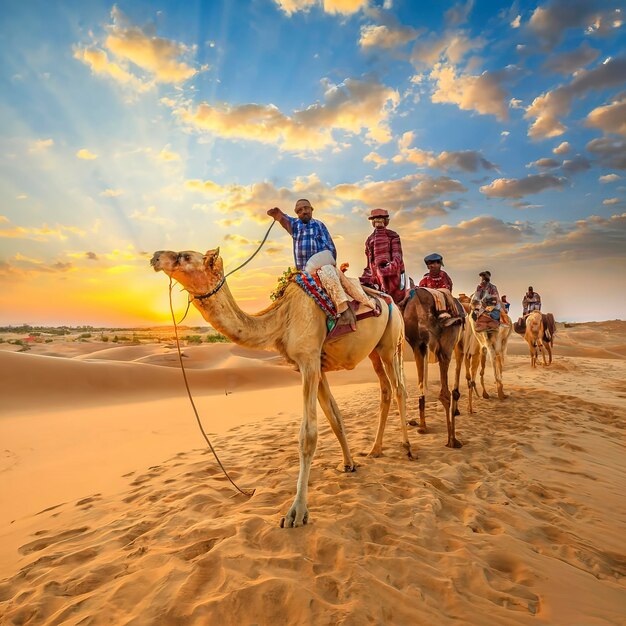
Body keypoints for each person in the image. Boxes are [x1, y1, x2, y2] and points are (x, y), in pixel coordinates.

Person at [267, 199, 369, 335]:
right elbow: (285, 220)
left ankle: (344, 313)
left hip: (320, 266)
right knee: (287, 295)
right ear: (297, 213)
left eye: (306, 208)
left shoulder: (319, 225)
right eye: (299, 210)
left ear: (311, 209)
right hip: (303, 272)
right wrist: (278, 215)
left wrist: (325, 264)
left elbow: (330, 248)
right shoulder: (295, 225)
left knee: (329, 279)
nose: (303, 212)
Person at [359, 208, 406, 304]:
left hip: (394, 275)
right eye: (375, 218)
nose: (378, 220)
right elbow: (369, 262)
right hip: (375, 275)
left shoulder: (393, 236)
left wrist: (385, 270)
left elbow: (397, 258)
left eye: (381, 218)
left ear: (385, 221)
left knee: (398, 299)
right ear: (372, 222)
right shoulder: (369, 240)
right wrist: (366, 276)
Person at [418, 253, 460, 325]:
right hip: (429, 301)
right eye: (432, 264)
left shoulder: (443, 275)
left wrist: (435, 292)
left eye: (437, 263)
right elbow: (422, 288)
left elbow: (447, 288)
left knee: (442, 292)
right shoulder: (425, 278)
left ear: (440, 265)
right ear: (428, 266)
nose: (435, 265)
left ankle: (444, 313)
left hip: (441, 299)